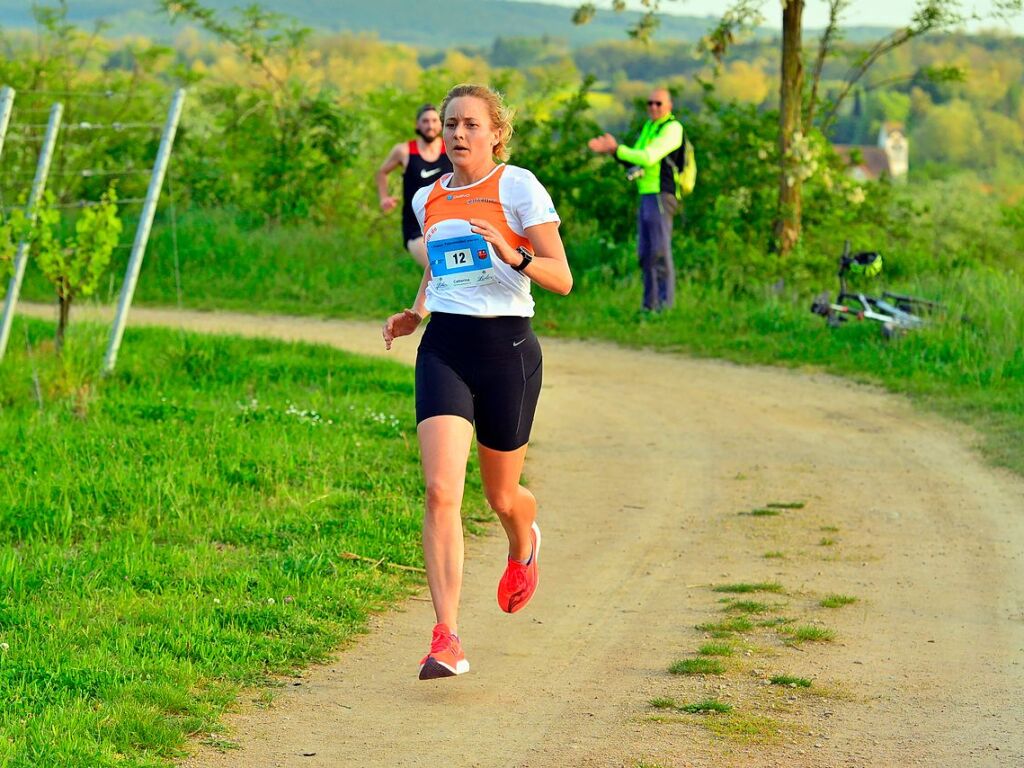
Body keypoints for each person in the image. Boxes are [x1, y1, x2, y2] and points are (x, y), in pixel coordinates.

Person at [382, 83, 572, 681]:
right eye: (452, 124)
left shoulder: (517, 187)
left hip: (508, 350)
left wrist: (513, 256)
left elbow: (562, 278)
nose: (458, 134)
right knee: (440, 491)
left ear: (496, 134)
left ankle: (524, 542)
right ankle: (447, 638)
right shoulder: (427, 198)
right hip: (445, 348)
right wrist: (417, 311)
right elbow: (441, 271)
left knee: (501, 497)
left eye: (470, 125)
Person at [588, 87, 684, 312]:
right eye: (649, 103)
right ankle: (649, 307)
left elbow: (648, 157)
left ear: (669, 106)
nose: (653, 107)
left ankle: (664, 308)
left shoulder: (673, 128)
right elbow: (634, 160)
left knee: (660, 251)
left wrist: (617, 148)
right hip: (646, 195)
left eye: (658, 103)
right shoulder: (650, 127)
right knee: (645, 252)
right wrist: (613, 152)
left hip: (662, 195)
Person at [375, 104, 454, 268]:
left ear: (441, 124)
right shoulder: (404, 151)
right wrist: (384, 198)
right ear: (417, 125)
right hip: (416, 227)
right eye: (425, 121)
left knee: (456, 277)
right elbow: (381, 172)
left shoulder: (451, 149)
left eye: (434, 121)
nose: (430, 126)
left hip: (449, 224)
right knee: (438, 269)